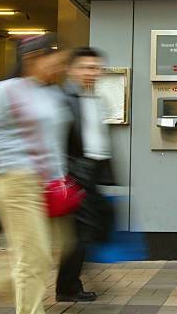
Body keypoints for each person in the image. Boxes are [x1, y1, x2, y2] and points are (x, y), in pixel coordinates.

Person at [0, 34, 71, 314]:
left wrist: (59, 178)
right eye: (56, 62)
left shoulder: (51, 94)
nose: (60, 69)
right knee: (33, 255)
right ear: (32, 58)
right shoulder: (3, 91)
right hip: (16, 181)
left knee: (52, 246)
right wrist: (15, 163)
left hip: (47, 184)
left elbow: (53, 143)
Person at [55, 47, 116, 302]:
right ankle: (68, 286)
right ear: (71, 69)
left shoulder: (95, 98)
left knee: (95, 228)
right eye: (86, 67)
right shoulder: (62, 99)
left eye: (96, 68)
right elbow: (56, 142)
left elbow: (98, 139)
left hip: (92, 173)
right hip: (73, 175)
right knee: (80, 233)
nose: (92, 73)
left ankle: (71, 280)